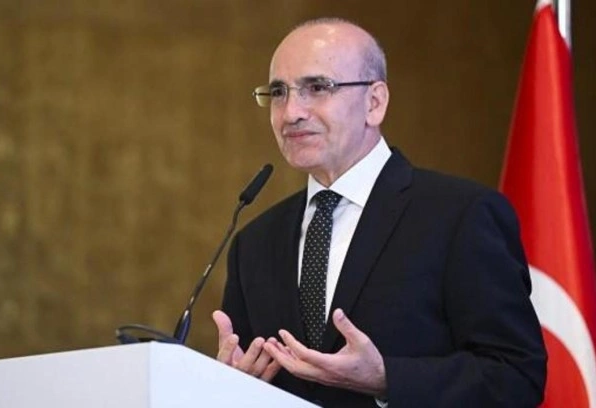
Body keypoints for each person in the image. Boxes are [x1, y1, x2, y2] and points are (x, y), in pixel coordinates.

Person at [212, 17, 547, 407]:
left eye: (317, 88)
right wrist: (228, 385)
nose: (290, 113)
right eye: (278, 92)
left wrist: (387, 379)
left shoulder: (462, 215)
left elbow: (516, 377)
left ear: (374, 102)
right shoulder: (253, 243)